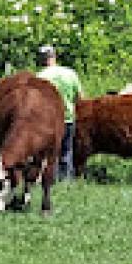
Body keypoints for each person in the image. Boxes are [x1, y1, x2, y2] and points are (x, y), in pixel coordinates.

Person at [35, 44, 82, 179]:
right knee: (67, 151)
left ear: (42, 59)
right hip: (68, 118)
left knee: (50, 153)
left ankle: (51, 179)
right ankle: (66, 180)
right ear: (55, 56)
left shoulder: (40, 77)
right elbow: (80, 97)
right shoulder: (70, 73)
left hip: (48, 121)